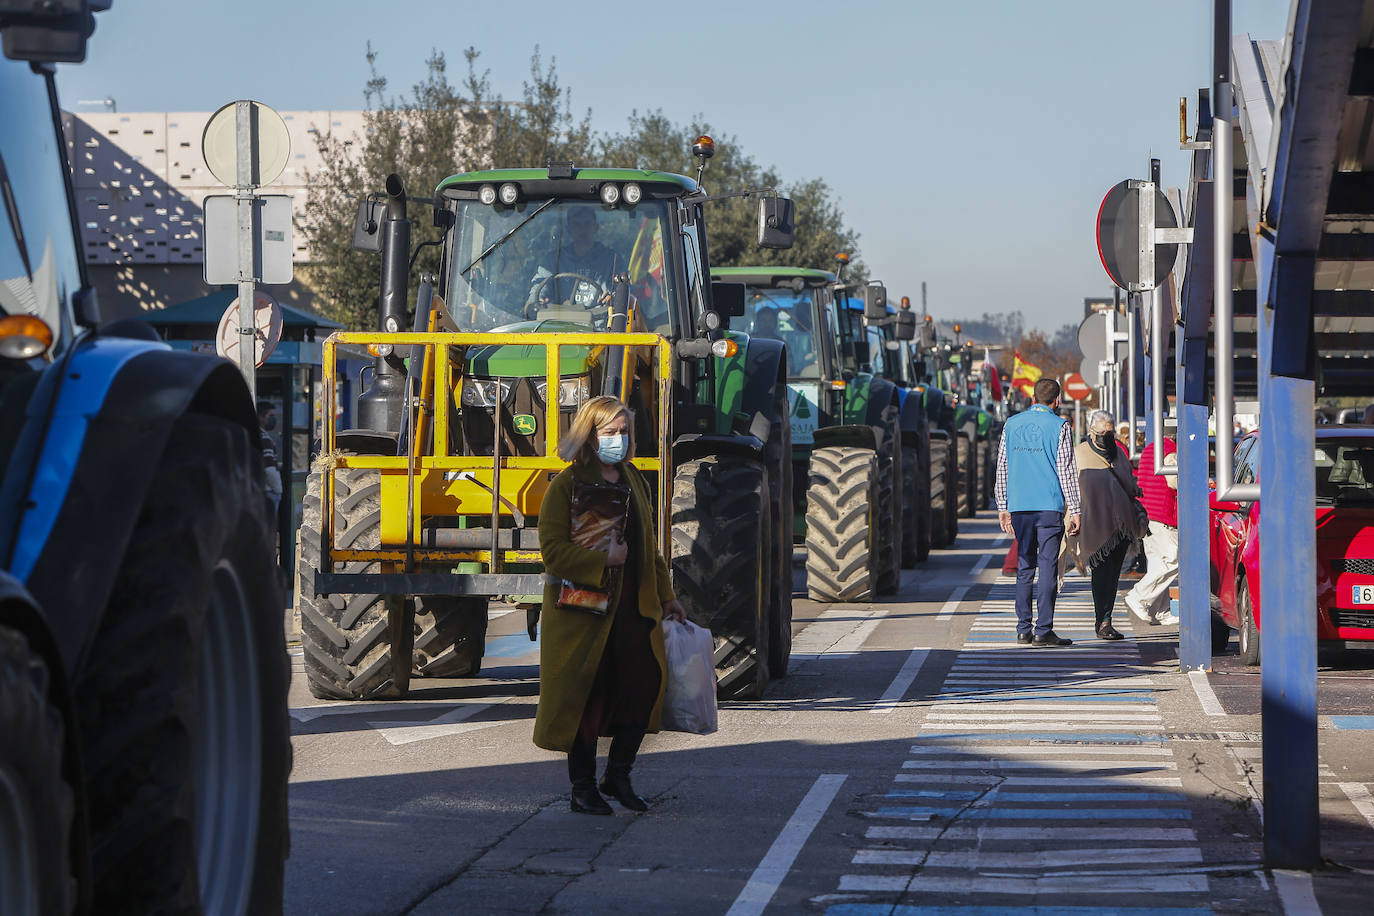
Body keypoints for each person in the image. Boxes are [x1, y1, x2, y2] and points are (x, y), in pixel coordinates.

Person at [535, 396, 687, 815]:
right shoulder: (566, 484)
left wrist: (667, 597)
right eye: (609, 432)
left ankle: (618, 775)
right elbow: (552, 551)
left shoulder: (633, 478)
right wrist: (602, 561)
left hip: (633, 611)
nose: (618, 439)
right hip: (582, 613)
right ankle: (582, 788)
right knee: (585, 699)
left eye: (623, 432)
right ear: (589, 435)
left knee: (642, 688)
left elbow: (650, 550)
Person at [996, 377, 1082, 647]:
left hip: (1020, 506)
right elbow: (1066, 469)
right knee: (1046, 567)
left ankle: (1023, 629)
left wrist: (1002, 505)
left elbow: (1002, 466)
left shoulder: (1011, 424)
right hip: (1049, 506)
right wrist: (1076, 508)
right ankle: (1044, 630)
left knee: (1024, 567)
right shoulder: (1060, 426)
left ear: (1033, 397)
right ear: (1057, 401)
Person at [1061, 410, 1146, 640]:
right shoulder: (1078, 454)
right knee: (1101, 573)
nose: (1106, 435)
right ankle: (1103, 621)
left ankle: (1105, 619)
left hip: (1121, 526)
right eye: (1101, 432)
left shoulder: (1118, 454)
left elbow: (1128, 481)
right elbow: (1067, 487)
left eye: (1110, 431)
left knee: (1113, 575)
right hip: (1093, 524)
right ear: (1091, 431)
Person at [1125, 434, 1180, 626]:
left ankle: (1160, 611)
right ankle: (1139, 597)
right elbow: (1174, 481)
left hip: (1148, 513)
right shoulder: (1170, 450)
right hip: (1163, 512)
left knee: (1158, 564)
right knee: (1172, 560)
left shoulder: (1150, 448)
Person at [534, 208, 621, 308]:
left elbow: (624, 295)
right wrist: (538, 302)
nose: (582, 229)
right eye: (576, 224)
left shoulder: (612, 260)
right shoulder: (552, 261)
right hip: (557, 323)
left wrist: (613, 298)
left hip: (601, 323)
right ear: (568, 229)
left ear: (595, 227)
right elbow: (535, 296)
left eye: (587, 223)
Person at [256, 399, 283, 516]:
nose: (273, 419)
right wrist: (278, 489)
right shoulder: (264, 438)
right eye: (270, 415)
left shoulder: (254, 434)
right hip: (268, 492)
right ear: (261, 417)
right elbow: (269, 469)